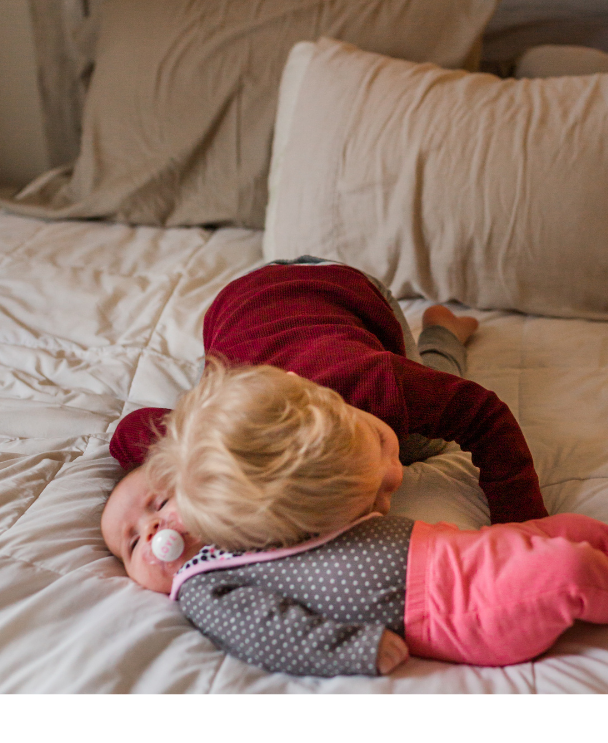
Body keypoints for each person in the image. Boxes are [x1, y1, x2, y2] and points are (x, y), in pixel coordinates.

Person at [114, 361, 608, 675]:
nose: (153, 534)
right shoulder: (204, 583)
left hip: (457, 551)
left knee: (570, 531)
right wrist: (355, 650)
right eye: (129, 545)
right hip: (449, 610)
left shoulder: (252, 507)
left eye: (155, 504)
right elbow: (266, 632)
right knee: (566, 570)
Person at [100, 258, 545, 602]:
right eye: (377, 501)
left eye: (379, 443)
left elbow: (485, 416)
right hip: (236, 303)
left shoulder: (383, 384)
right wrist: (172, 496)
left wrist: (525, 526)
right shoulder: (208, 449)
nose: (397, 479)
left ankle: (443, 331)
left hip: (344, 288)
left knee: (423, 446)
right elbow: (125, 434)